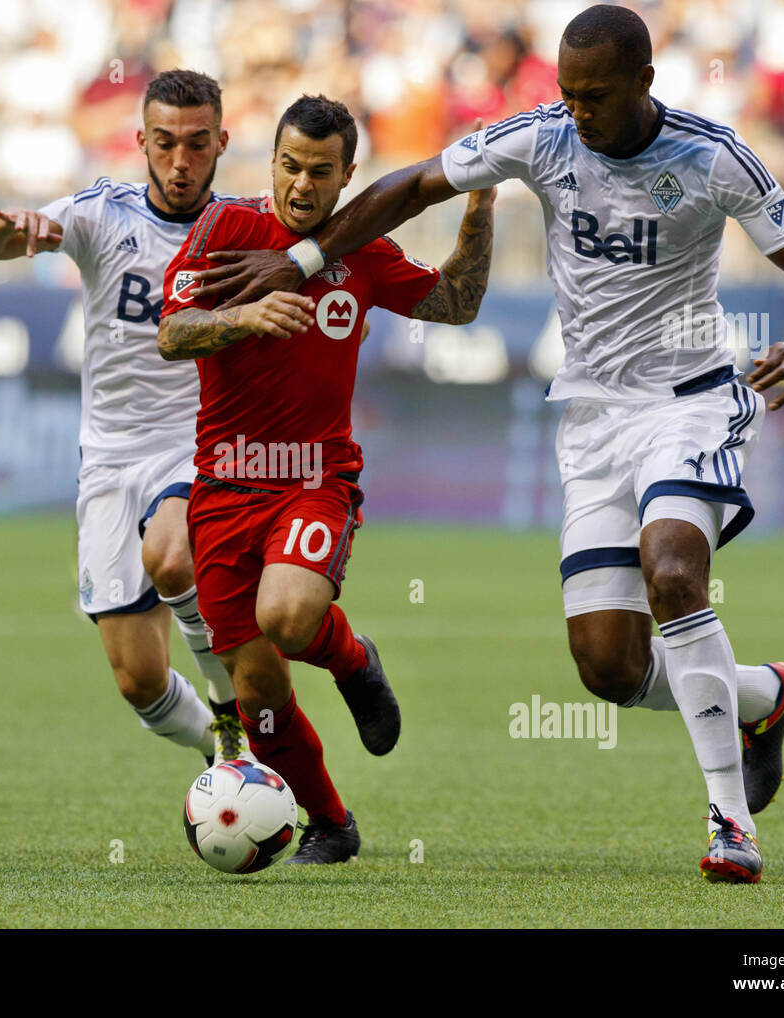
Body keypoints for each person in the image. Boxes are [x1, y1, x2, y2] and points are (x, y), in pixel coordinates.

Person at [188, 6, 784, 883]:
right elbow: (414, 184)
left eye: (596, 96)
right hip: (593, 419)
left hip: (688, 400)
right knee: (608, 666)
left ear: (645, 83)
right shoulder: (542, 136)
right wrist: (303, 261)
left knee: (674, 572)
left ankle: (730, 823)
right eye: (567, 94)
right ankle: (763, 697)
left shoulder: (711, 154)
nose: (578, 111)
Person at [157, 95, 496, 863]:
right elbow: (171, 336)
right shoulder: (226, 229)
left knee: (287, 614)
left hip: (315, 478)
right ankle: (332, 823)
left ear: (348, 177)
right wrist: (245, 318)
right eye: (288, 166)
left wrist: (482, 193)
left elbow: (459, 301)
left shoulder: (364, 251)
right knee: (258, 689)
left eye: (319, 171)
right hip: (223, 487)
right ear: (269, 160)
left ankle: (353, 661)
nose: (300, 185)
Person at [0, 70, 248, 766]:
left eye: (198, 145)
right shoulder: (99, 214)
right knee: (139, 681)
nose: (182, 161)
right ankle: (223, 760)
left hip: (195, 446)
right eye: (166, 143)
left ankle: (238, 721)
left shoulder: (245, 226)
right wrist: (9, 225)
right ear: (141, 141)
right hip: (110, 459)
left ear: (222, 143)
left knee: (173, 555)